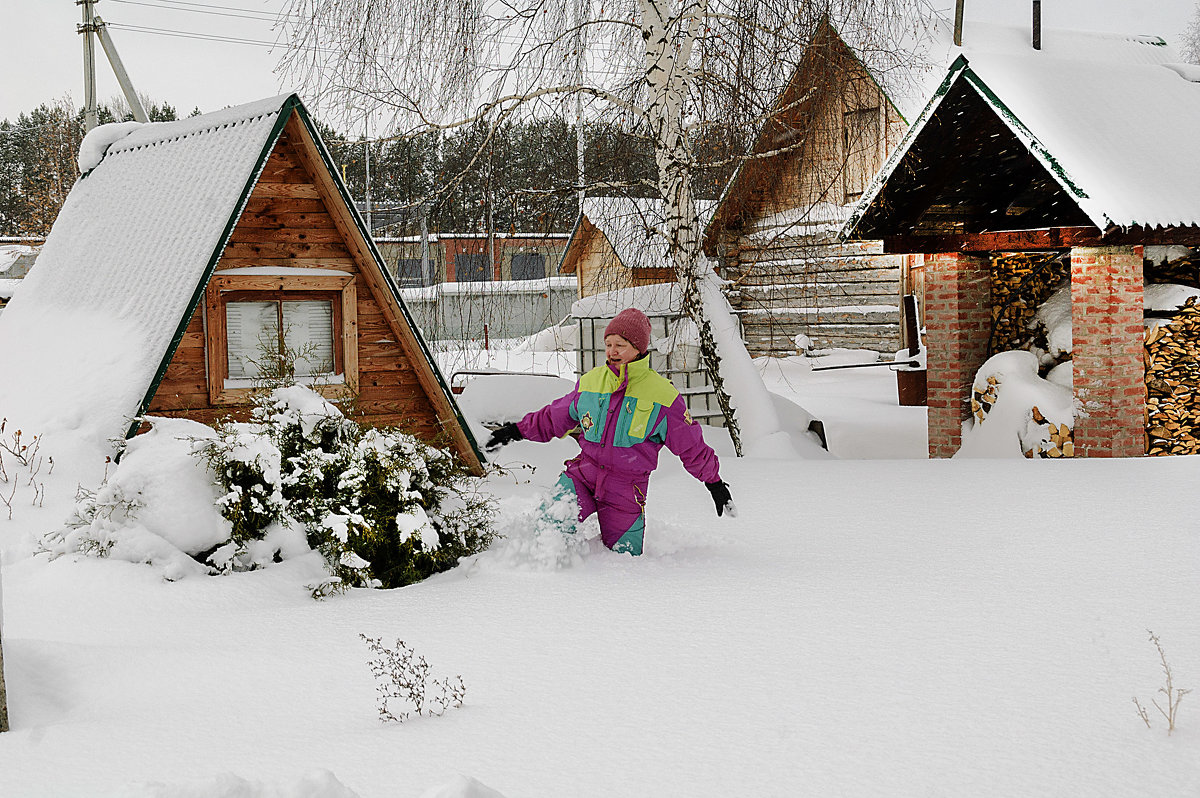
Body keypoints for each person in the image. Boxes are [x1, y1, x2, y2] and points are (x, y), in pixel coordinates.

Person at [486, 307, 735, 555]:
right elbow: (554, 416)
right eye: (608, 344)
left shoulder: (663, 396)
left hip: (626, 490)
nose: (612, 351)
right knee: (547, 529)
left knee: (623, 557)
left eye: (621, 345)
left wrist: (714, 483)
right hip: (583, 476)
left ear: (639, 348)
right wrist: (516, 430)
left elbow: (690, 446)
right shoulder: (591, 382)